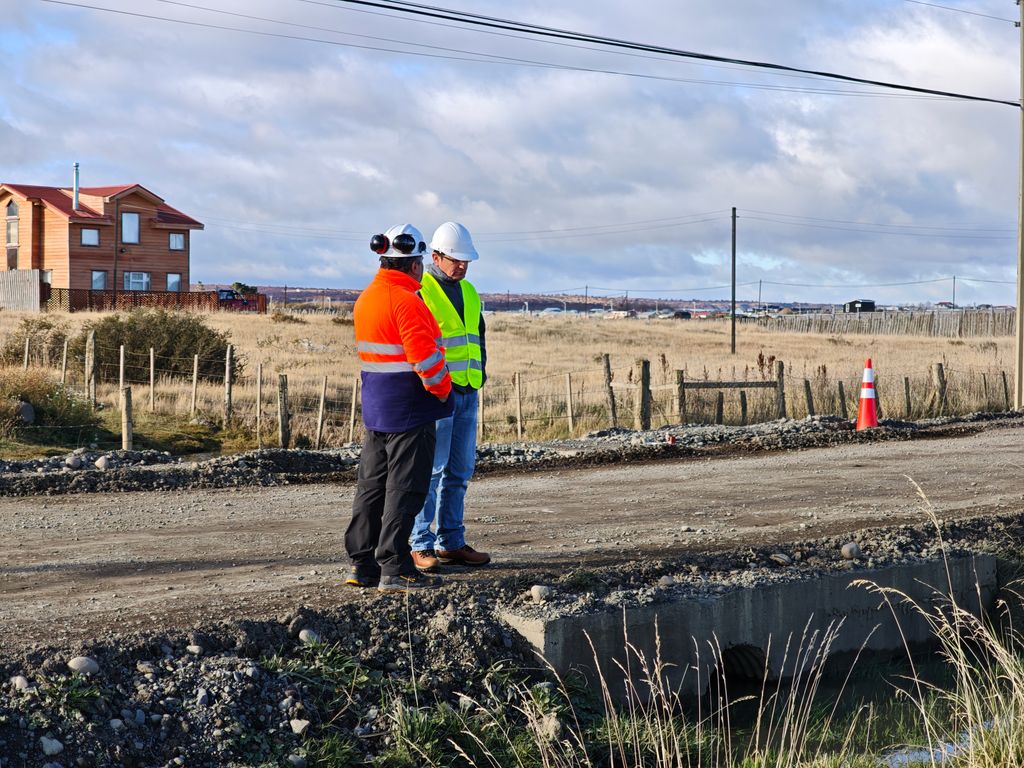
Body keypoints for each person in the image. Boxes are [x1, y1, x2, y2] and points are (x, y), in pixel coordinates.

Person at [345, 224, 453, 592]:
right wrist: (441, 390)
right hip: (410, 409)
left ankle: (362, 565)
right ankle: (395, 567)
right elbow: (426, 360)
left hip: (377, 408)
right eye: (420, 262)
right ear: (413, 264)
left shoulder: (367, 298)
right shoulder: (406, 301)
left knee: (372, 487)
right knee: (404, 488)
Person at [410, 222, 491, 571]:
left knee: (459, 471)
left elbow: (478, 336)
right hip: (436, 393)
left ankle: (451, 542)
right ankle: (420, 544)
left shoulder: (470, 292)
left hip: (467, 390)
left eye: (466, 261)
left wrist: (480, 372)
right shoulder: (421, 291)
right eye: (455, 260)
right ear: (436, 256)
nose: (462, 266)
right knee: (431, 471)